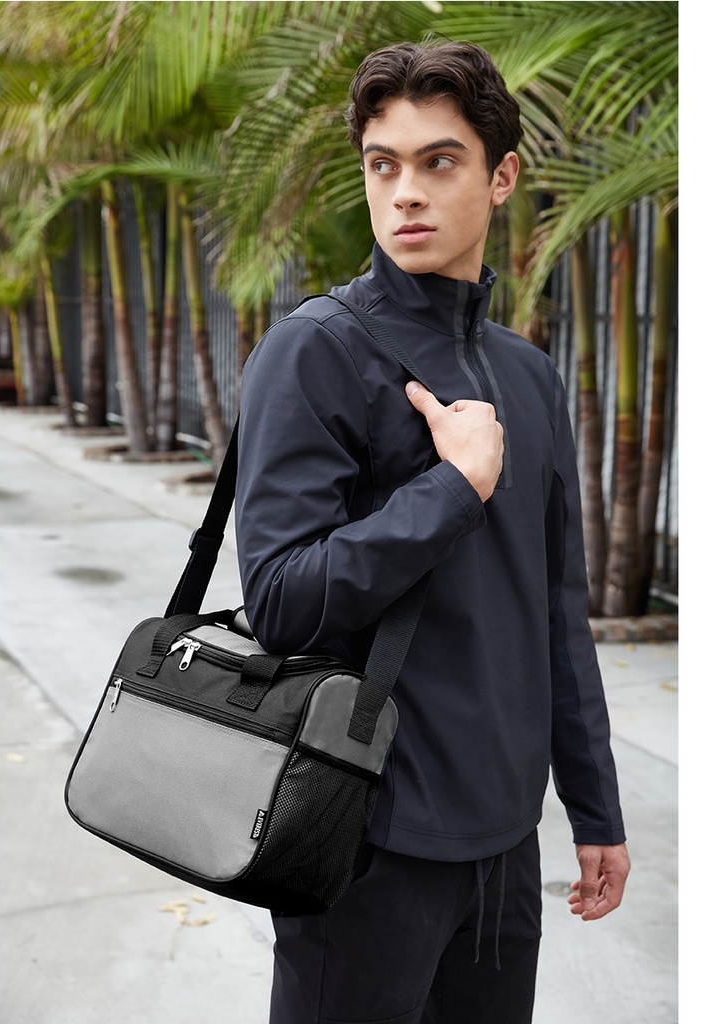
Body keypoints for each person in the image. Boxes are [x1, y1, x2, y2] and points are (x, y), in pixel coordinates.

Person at [234, 39, 630, 1024]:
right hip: (363, 837)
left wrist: (594, 807)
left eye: (438, 161)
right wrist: (453, 487)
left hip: (504, 846)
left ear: (501, 177)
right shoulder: (314, 352)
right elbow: (278, 600)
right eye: (384, 164)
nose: (405, 191)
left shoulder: (527, 374)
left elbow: (556, 611)